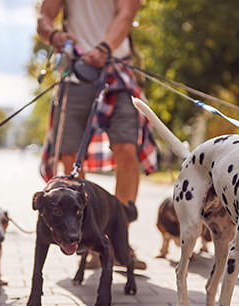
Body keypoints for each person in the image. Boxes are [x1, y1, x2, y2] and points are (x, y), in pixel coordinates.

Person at [38, 0, 156, 269]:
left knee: (127, 148)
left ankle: (119, 241)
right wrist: (55, 35)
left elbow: (126, 14)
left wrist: (104, 48)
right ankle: (89, 240)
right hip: (76, 74)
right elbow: (44, 18)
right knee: (70, 157)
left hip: (117, 68)